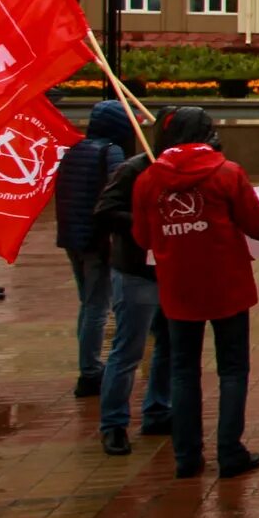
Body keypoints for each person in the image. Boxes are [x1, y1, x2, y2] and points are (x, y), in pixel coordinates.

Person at [134, 108, 259, 479]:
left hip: (178, 290)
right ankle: (230, 452)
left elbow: (143, 239)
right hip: (226, 286)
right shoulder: (228, 174)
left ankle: (186, 457)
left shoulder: (149, 180)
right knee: (232, 369)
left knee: (183, 372)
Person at [89, 117, 175, 456]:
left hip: (169, 271)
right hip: (136, 272)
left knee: (168, 346)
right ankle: (113, 424)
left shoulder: (183, 170)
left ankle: (157, 409)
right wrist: (144, 221)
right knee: (128, 350)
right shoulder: (133, 169)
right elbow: (105, 211)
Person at [52, 100, 135, 397]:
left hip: (73, 237)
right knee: (97, 305)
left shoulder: (75, 150)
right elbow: (118, 193)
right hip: (97, 240)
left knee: (88, 303)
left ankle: (88, 364)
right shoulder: (110, 152)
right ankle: (89, 371)